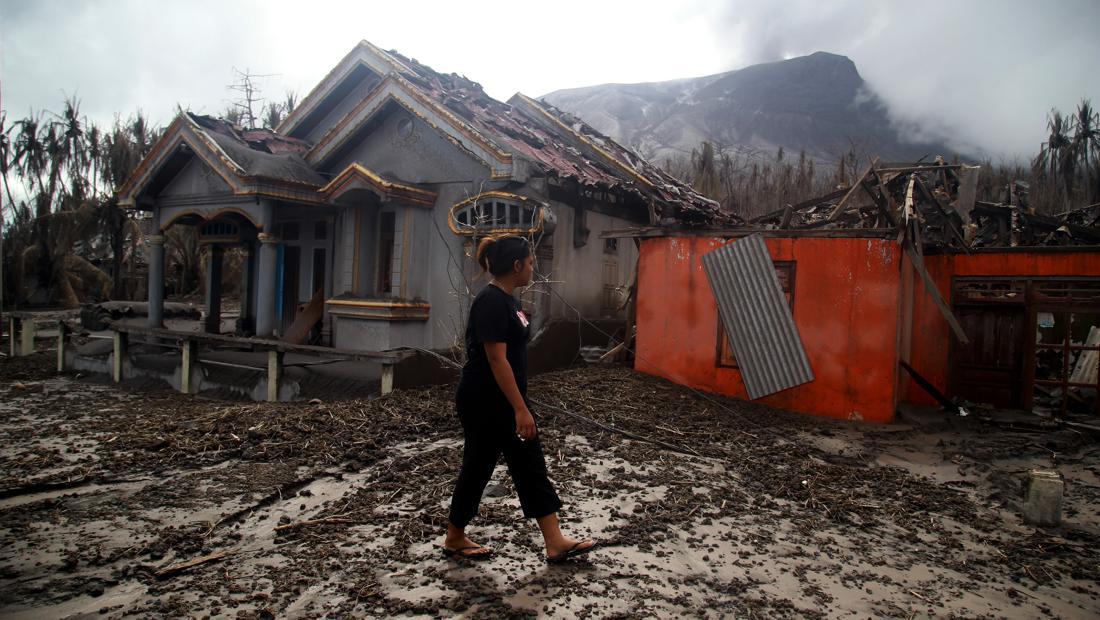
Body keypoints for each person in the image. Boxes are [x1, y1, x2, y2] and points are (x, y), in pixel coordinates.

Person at [443, 234, 597, 563]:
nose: (532, 268)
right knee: (488, 465)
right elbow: (497, 360)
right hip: (485, 400)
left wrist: (518, 404)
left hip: (499, 399)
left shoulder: (509, 301)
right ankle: (458, 536)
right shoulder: (491, 302)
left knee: (512, 464)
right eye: (530, 263)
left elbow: (511, 356)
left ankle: (550, 540)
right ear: (516, 266)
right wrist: (520, 409)